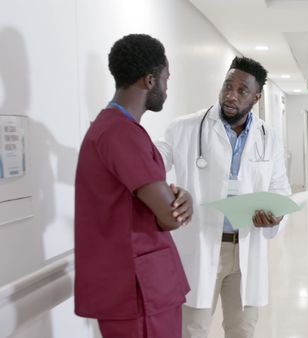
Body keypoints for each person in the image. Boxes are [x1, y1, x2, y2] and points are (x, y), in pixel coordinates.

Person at [155, 56, 291, 338]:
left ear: (256, 97)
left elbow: (280, 188)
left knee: (242, 330)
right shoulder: (185, 128)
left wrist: (276, 214)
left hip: (246, 246)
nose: (231, 95)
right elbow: (153, 162)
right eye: (228, 86)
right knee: (194, 329)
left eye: (242, 91)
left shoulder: (269, 137)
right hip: (202, 245)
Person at [74, 34, 193, 338]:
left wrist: (177, 199)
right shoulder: (121, 134)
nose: (167, 88)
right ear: (150, 80)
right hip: (139, 291)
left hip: (135, 286)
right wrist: (182, 201)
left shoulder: (111, 128)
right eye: (166, 79)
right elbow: (171, 215)